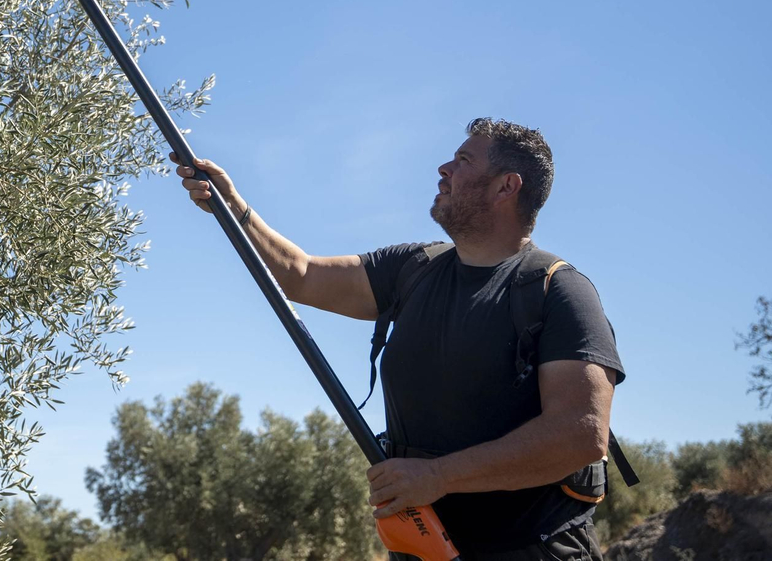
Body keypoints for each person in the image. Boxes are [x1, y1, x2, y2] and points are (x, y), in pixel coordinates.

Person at [174, 118, 624, 560]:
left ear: (507, 186)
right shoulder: (413, 267)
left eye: (463, 160)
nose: (443, 169)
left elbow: (580, 436)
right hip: (423, 548)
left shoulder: (558, 291)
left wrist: (439, 476)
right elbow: (303, 275)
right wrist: (235, 210)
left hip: (534, 549)